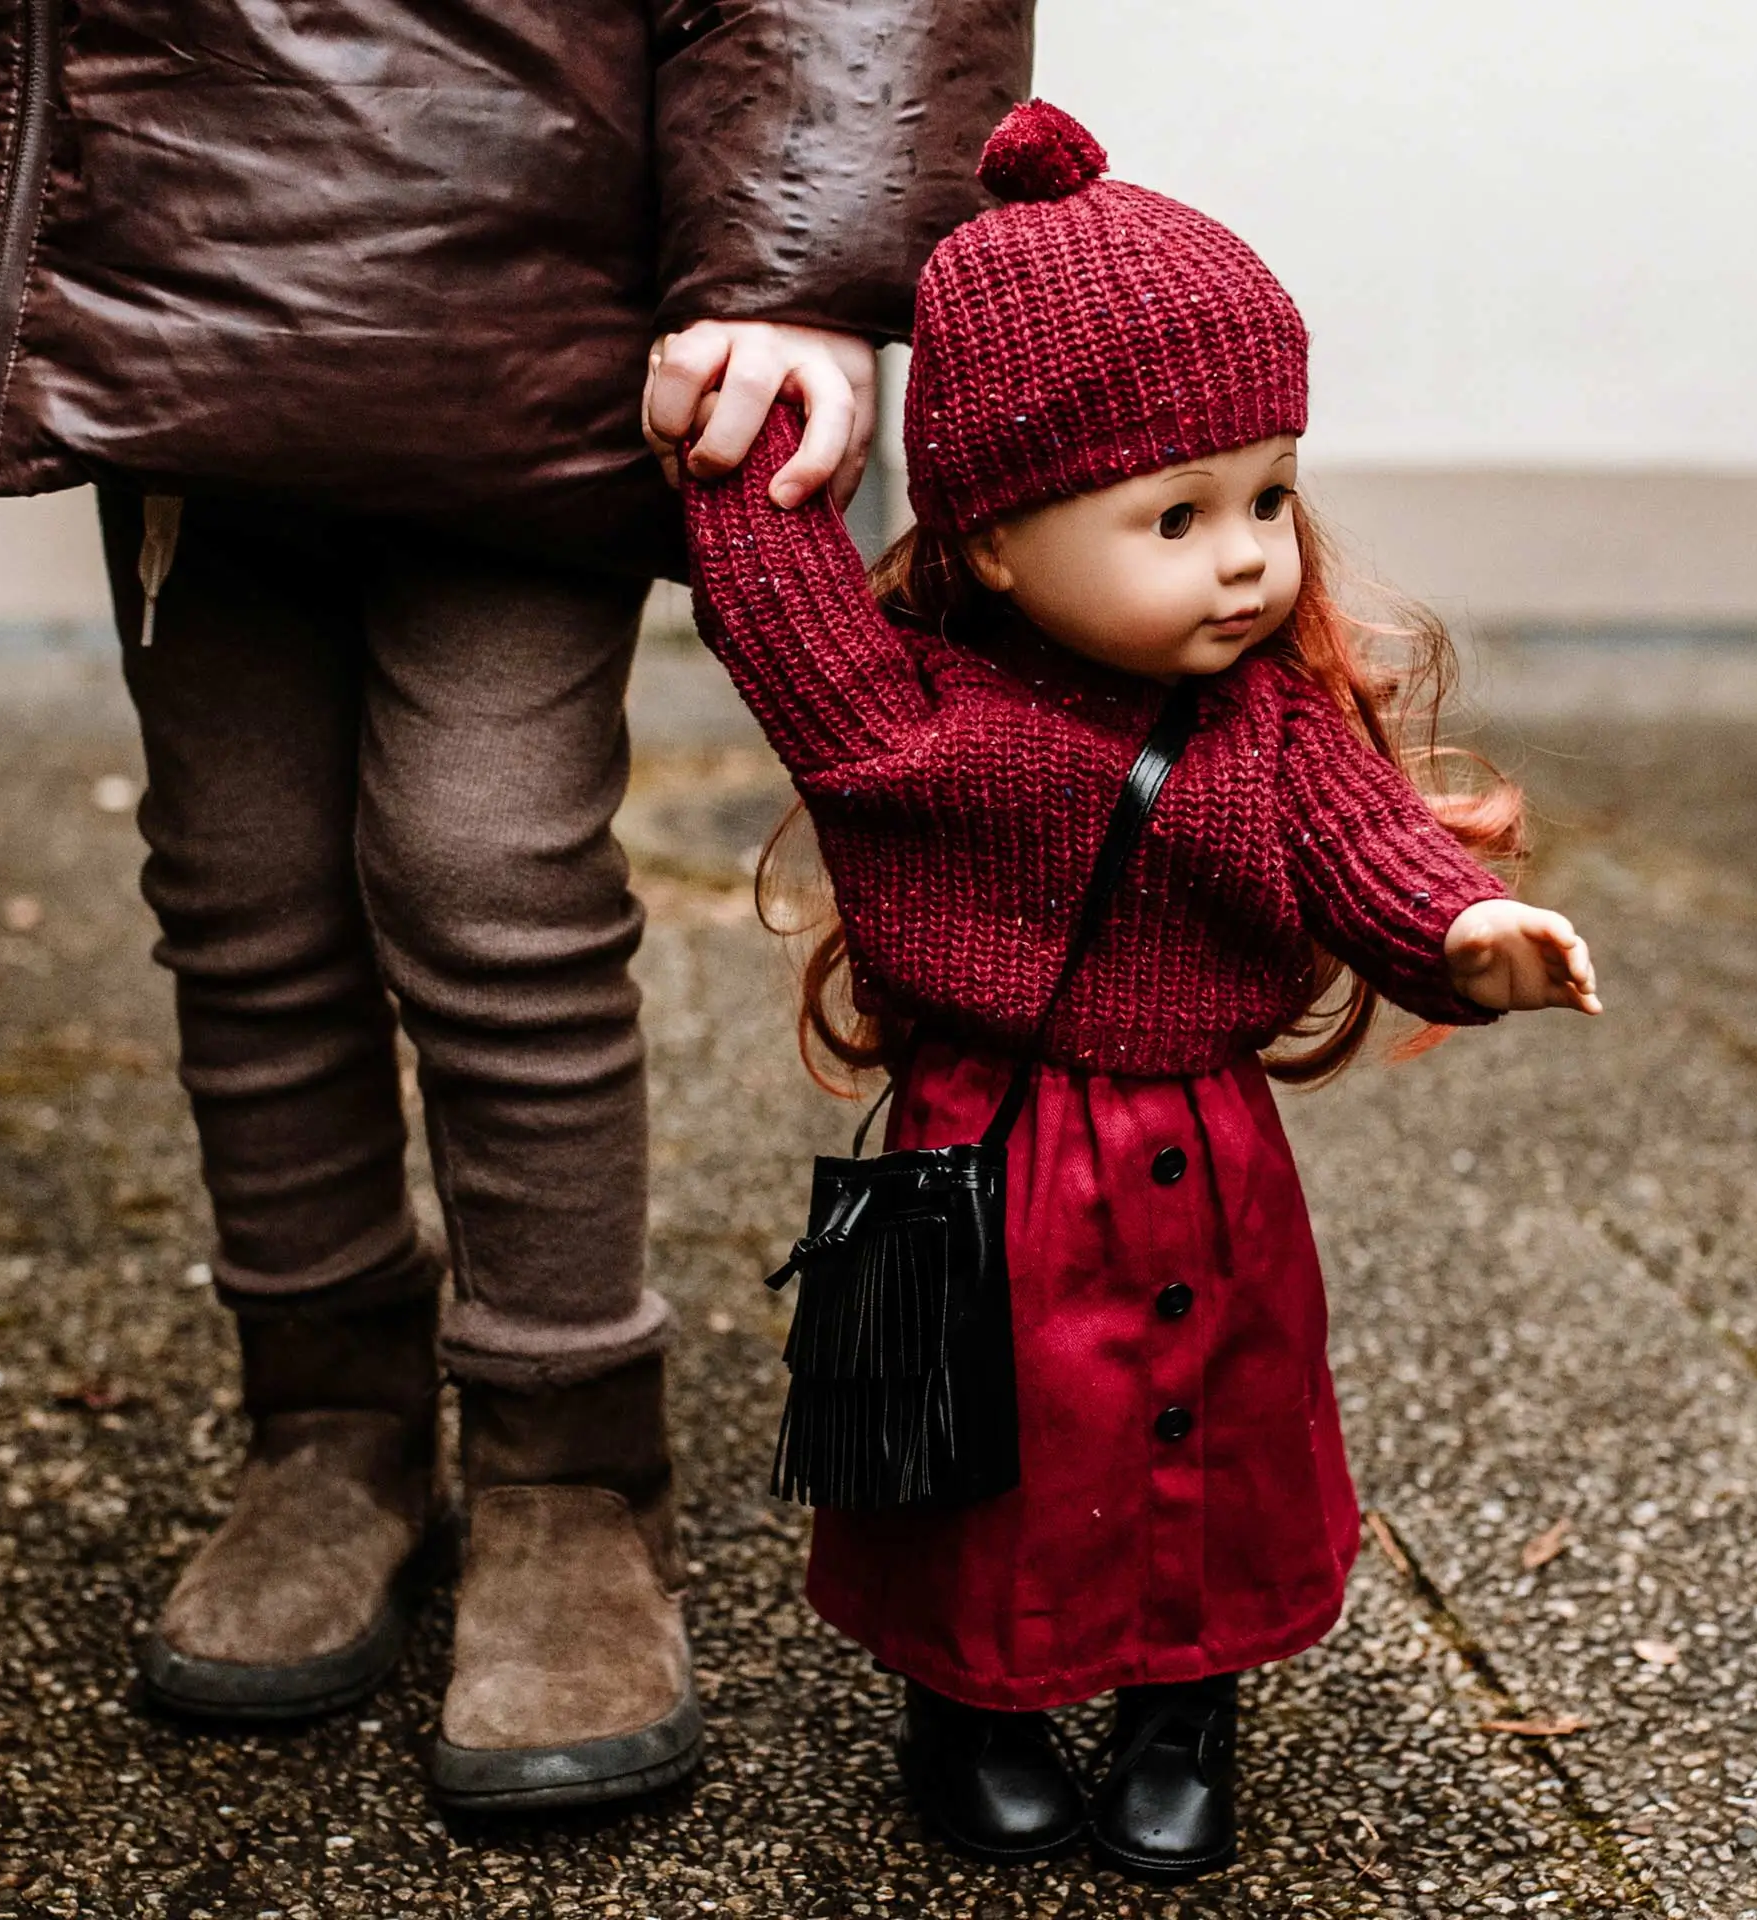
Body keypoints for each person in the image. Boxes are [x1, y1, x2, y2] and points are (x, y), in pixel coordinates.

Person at [0, 0, 1034, 1808]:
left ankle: (572, 1462)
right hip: (166, 249)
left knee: (486, 875)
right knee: (242, 885)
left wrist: (800, 251)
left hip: (521, 271)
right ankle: (327, 1425)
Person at [678, 100, 1602, 1880]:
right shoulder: (916, 722)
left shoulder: (1267, 723)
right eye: (1174, 516)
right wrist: (748, 420)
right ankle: (977, 1699)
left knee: (1219, 1423)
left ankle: (1188, 1699)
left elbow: (1368, 851)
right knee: (996, 1441)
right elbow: (774, 596)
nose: (1249, 552)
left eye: (1267, 495)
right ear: (1001, 538)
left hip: (1206, 1149)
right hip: (998, 1146)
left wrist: (1467, 936)